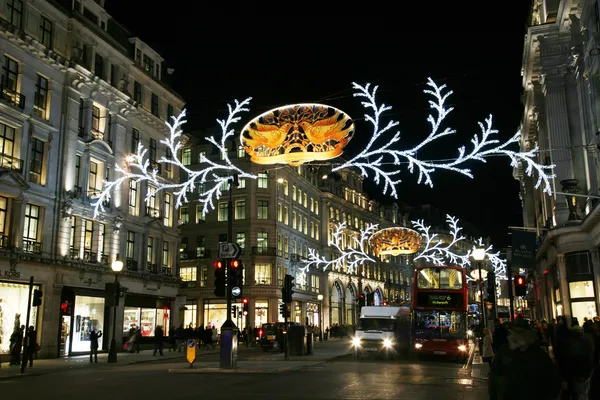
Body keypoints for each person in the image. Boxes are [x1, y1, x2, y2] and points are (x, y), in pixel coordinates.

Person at [488, 317, 561, 400]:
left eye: (519, 333)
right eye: (513, 332)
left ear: (527, 335)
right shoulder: (504, 352)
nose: (515, 336)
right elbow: (494, 379)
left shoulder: (537, 354)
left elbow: (553, 381)